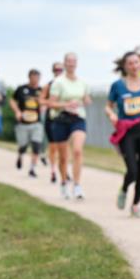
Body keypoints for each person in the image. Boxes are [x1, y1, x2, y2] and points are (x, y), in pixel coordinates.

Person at [107, 51, 140, 216]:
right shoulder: (118, 85)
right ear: (125, 66)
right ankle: (124, 189)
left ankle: (135, 205)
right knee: (132, 170)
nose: (134, 66)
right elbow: (108, 106)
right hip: (127, 131)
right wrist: (111, 114)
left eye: (136, 62)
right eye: (130, 63)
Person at [46, 52, 90, 199]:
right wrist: (66, 104)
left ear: (76, 64)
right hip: (60, 119)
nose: (71, 64)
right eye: (68, 61)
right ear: (65, 63)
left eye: (73, 61)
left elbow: (86, 99)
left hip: (78, 118)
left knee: (77, 150)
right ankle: (64, 182)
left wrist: (84, 101)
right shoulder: (58, 82)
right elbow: (51, 103)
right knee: (63, 157)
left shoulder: (82, 83)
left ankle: (77, 185)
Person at [12, 69, 45, 177]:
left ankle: (32, 169)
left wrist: (43, 106)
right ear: (29, 77)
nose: (35, 80)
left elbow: (46, 102)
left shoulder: (41, 91)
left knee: (36, 145)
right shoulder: (21, 89)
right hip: (23, 123)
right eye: (33, 77)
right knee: (23, 146)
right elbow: (12, 100)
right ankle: (20, 155)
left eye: (37, 78)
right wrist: (17, 112)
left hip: (36, 122)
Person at [41, 61, 65, 183]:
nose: (58, 72)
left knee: (64, 146)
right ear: (53, 71)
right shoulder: (48, 85)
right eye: (56, 70)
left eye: (61, 70)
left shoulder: (68, 85)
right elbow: (41, 100)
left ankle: (64, 170)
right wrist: (50, 103)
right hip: (52, 118)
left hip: (66, 118)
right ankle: (53, 171)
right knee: (53, 146)